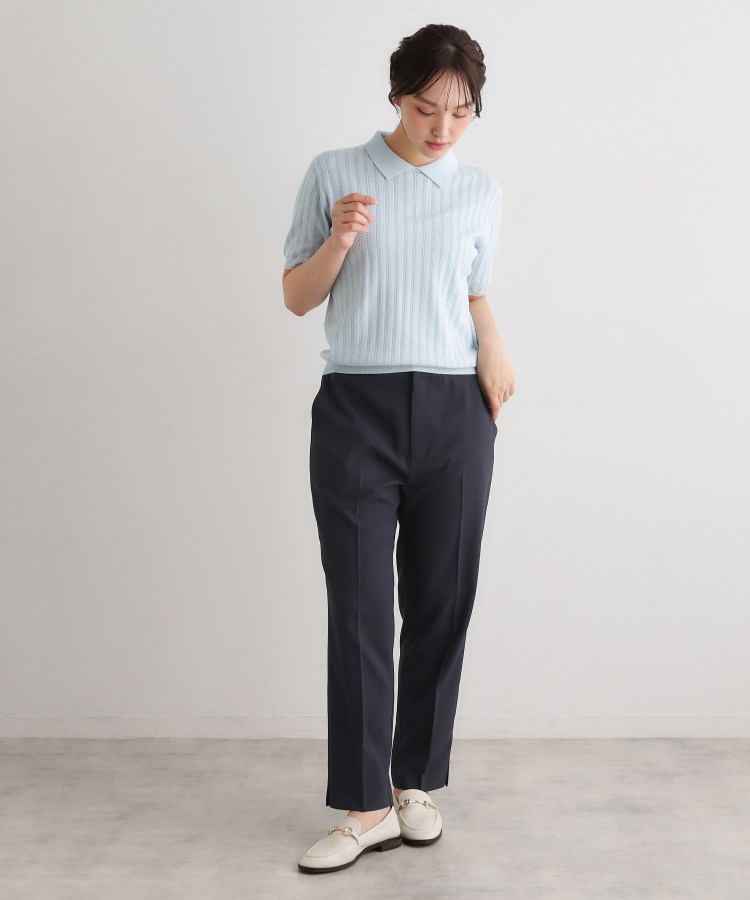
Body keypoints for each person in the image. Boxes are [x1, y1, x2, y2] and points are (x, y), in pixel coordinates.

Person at [282, 23, 515, 874]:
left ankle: (413, 780)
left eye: (461, 112)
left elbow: (473, 291)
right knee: (359, 607)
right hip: (358, 406)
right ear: (395, 96)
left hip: (456, 406)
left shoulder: (480, 189)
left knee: (442, 597)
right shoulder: (335, 172)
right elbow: (296, 297)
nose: (442, 127)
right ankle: (365, 803)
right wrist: (339, 240)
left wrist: (495, 345)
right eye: (425, 107)